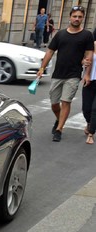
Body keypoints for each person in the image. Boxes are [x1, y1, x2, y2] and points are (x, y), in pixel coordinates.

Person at [37, 5, 94, 143]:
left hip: (73, 74)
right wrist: (42, 68)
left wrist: (87, 73)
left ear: (83, 18)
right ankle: (59, 119)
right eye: (75, 16)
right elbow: (50, 51)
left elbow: (89, 56)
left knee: (66, 101)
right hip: (58, 74)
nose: (77, 19)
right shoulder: (61, 34)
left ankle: (59, 129)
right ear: (70, 17)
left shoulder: (87, 35)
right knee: (54, 104)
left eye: (80, 17)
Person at [81, 27, 96, 145]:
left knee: (95, 109)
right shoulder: (93, 44)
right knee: (86, 108)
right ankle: (89, 123)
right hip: (91, 79)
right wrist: (87, 74)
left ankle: (91, 134)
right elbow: (88, 60)